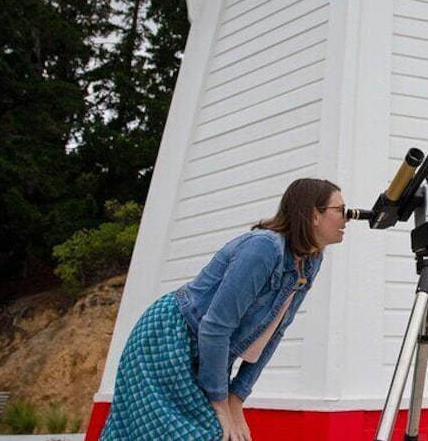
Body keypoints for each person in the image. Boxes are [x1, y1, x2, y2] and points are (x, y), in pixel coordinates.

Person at [100, 178, 347, 441]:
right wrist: (220, 404)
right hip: (168, 339)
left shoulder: (310, 261)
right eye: (341, 210)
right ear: (314, 215)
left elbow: (274, 333)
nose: (348, 219)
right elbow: (216, 326)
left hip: (206, 351)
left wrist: (236, 399)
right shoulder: (264, 248)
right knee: (205, 433)